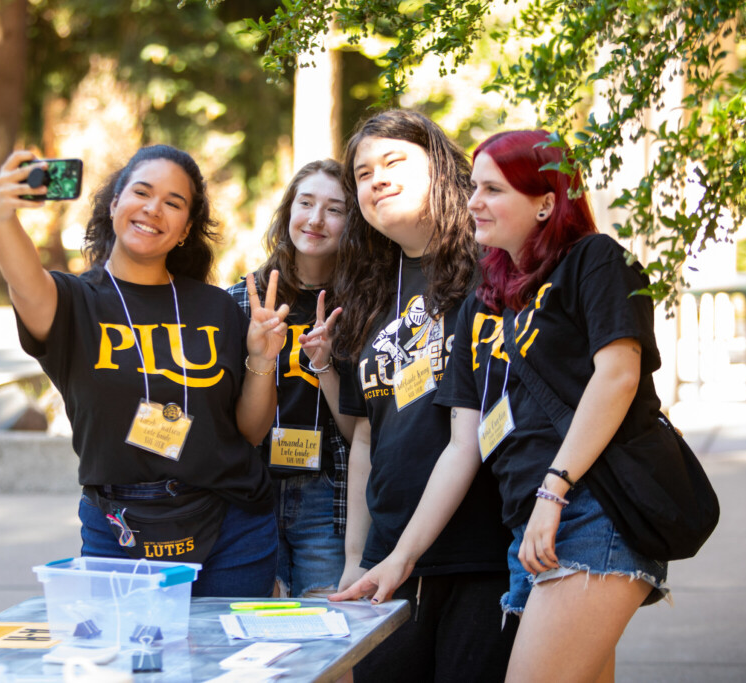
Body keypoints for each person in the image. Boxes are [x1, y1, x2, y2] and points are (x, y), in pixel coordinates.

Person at [336, 129, 671, 682]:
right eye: (474, 188)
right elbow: (463, 445)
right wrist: (398, 558)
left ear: (545, 201)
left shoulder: (594, 259)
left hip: (588, 508)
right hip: (529, 528)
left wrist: (554, 487)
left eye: (492, 189)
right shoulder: (487, 300)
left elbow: (618, 377)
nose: (473, 202)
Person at [0, 144, 290, 598]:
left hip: (233, 527)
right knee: (131, 667)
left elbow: (249, 431)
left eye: (174, 203)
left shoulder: (216, 307)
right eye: (142, 193)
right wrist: (2, 217)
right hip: (118, 531)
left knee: (226, 668)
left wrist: (263, 360)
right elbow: (24, 280)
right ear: (114, 204)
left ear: (186, 229)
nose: (154, 209)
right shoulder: (72, 303)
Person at [322, 110, 516, 682]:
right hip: (387, 562)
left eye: (394, 162)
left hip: (483, 552)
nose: (376, 179)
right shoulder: (365, 293)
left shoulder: (494, 270)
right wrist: (355, 560)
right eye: (362, 173)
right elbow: (363, 439)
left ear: (442, 168)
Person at [226, 159, 354, 599]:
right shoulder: (241, 300)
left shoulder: (362, 305)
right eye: (306, 203)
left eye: (335, 209)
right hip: (254, 492)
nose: (316, 219)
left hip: (327, 495)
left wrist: (328, 362)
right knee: (262, 642)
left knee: (334, 636)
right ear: (288, 211)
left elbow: (362, 426)